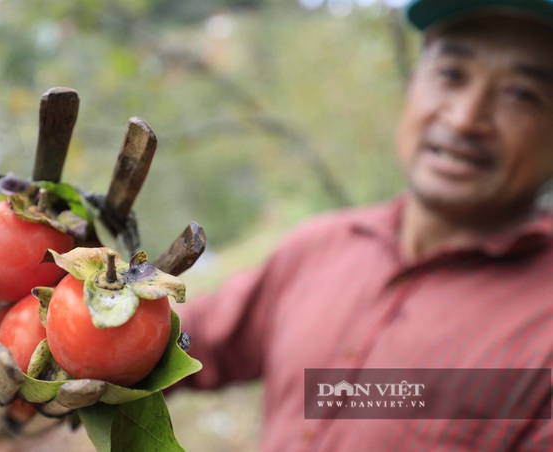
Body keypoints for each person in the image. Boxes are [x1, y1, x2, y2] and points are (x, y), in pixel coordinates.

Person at [173, 0, 553, 450]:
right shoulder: (319, 247)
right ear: (413, 84)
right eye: (451, 74)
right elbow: (188, 340)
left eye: (521, 94)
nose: (465, 117)